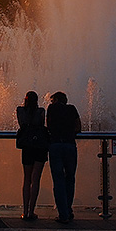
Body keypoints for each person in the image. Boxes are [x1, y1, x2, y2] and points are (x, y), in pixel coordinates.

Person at [46, 91, 81, 224]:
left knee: (58, 180)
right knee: (70, 178)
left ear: (55, 100)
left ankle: (63, 214)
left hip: (55, 145)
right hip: (70, 145)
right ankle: (68, 209)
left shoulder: (52, 109)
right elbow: (78, 126)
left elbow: (48, 125)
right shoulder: (72, 108)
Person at [16, 91, 49, 221]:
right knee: (36, 180)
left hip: (27, 147)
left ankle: (24, 211)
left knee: (26, 179)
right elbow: (41, 125)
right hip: (39, 146)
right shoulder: (41, 111)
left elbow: (21, 124)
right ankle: (31, 211)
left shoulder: (20, 110)